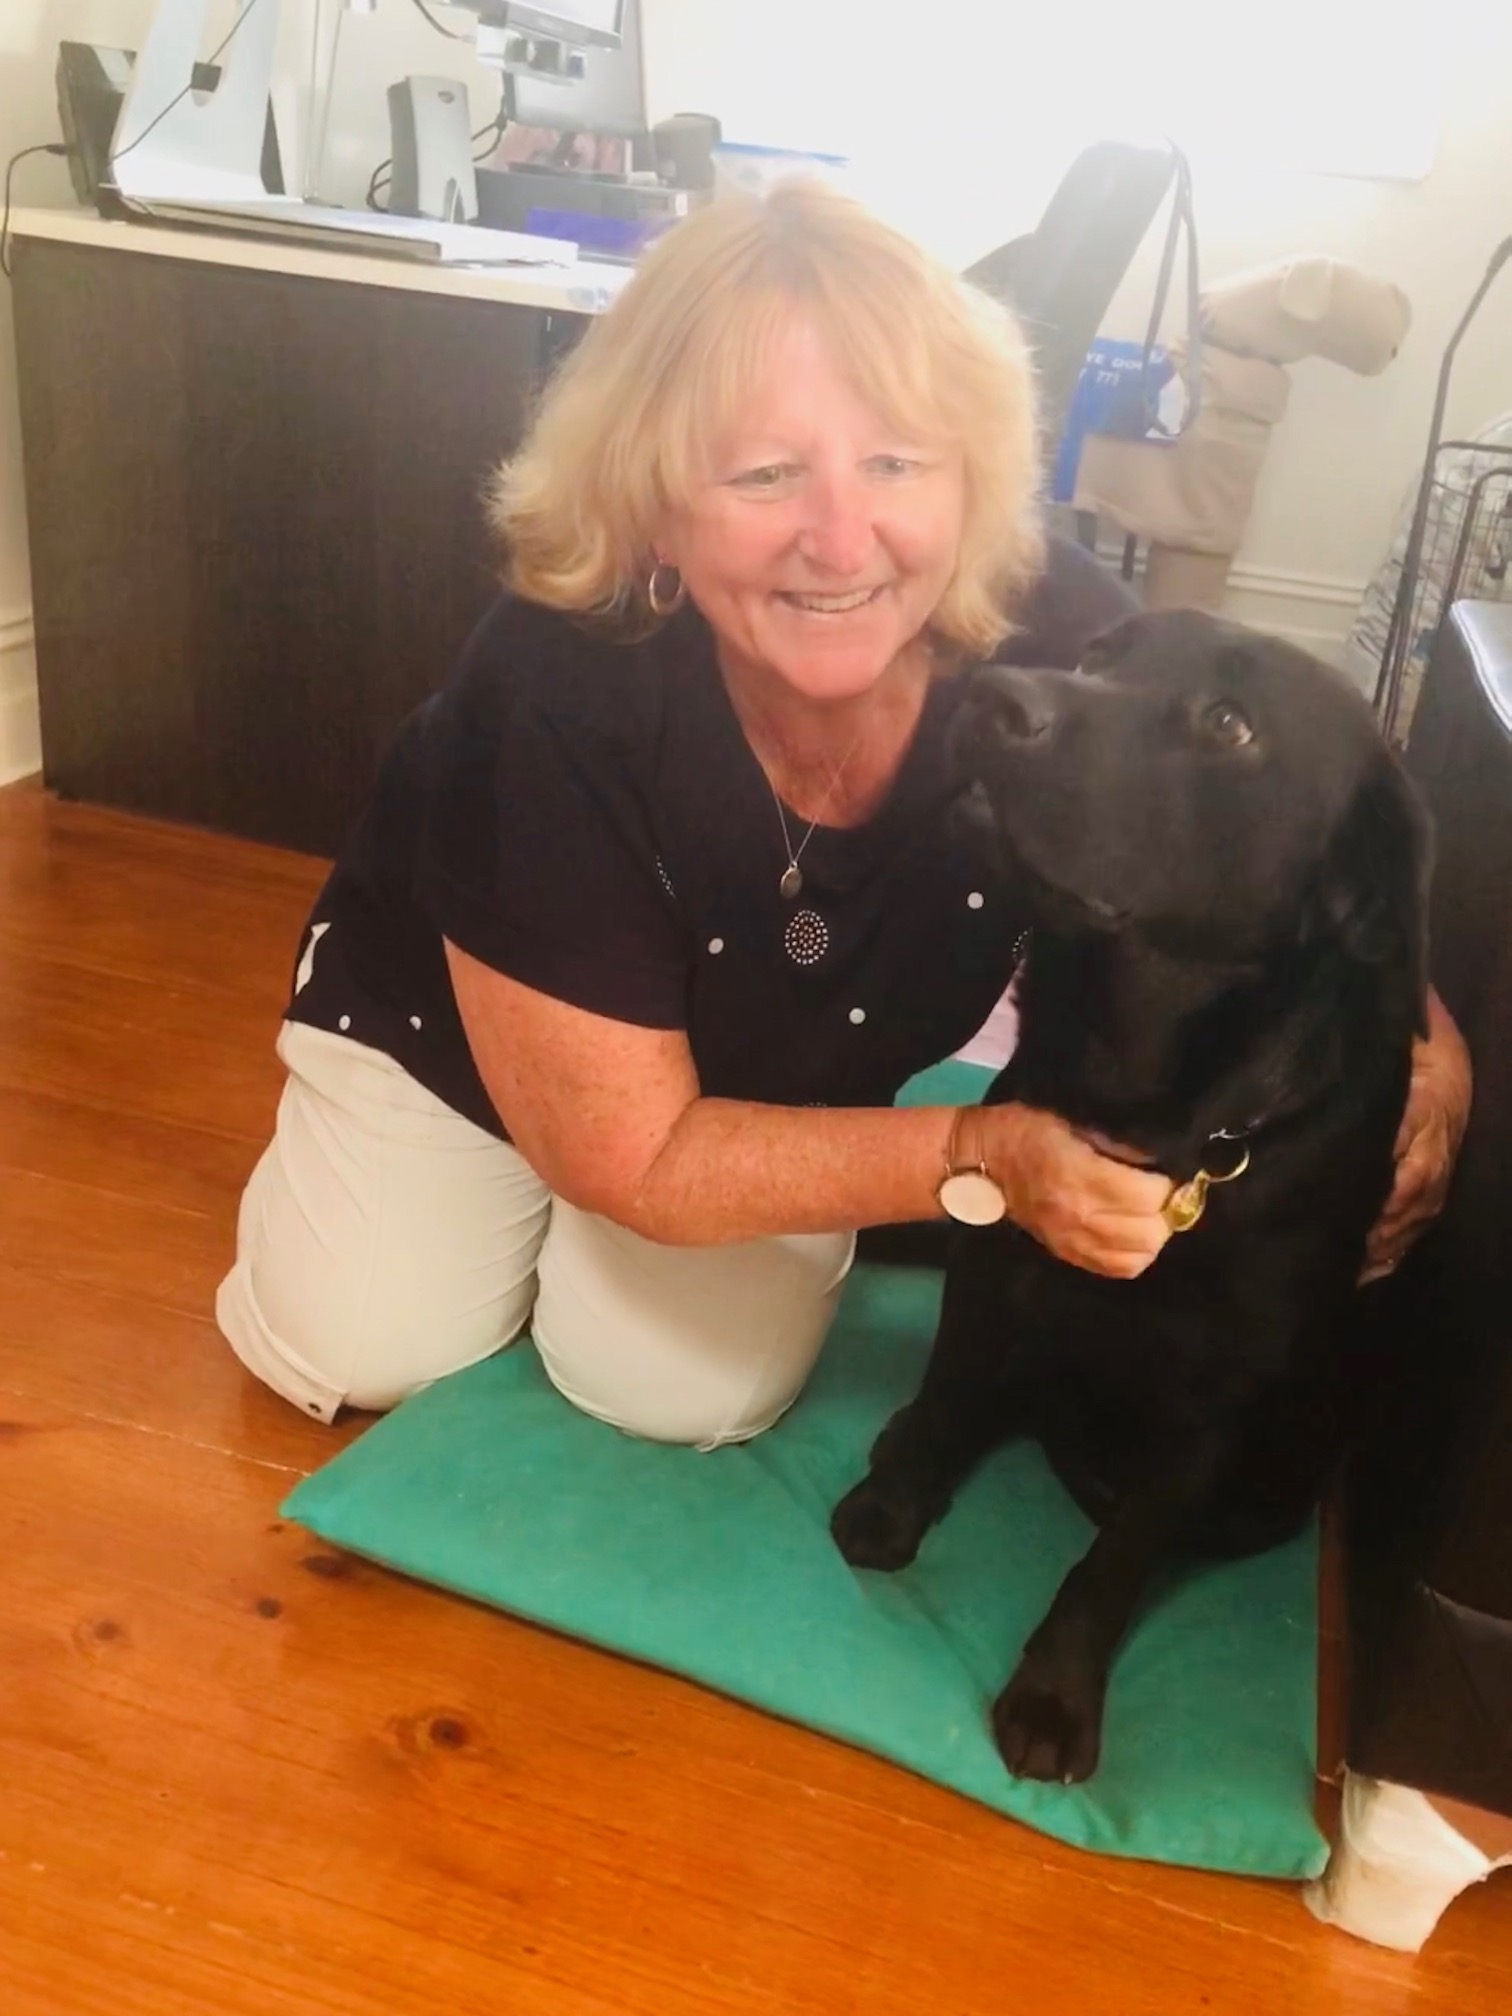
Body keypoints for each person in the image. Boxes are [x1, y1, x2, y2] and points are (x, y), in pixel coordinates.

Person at [216, 182, 1470, 1447]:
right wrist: (981, 1152)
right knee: (361, 1343)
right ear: (653, 496)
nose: (840, 538)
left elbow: (1285, 833)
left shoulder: (1074, 649)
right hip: (459, 1038)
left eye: (895, 462)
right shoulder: (545, 685)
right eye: (766, 472)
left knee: (683, 1393)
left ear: (969, 474)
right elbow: (636, 1159)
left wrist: (1430, 1034)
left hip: (771, 1078)